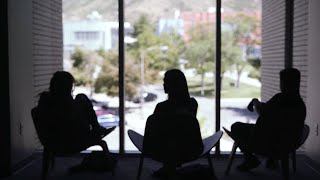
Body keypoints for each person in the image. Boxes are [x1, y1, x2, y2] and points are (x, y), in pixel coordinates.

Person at [229, 68, 306, 171]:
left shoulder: (280, 98)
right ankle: (270, 160)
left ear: (284, 82)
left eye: (282, 81)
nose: (281, 84)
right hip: (289, 142)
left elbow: (263, 111)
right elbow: (269, 109)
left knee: (236, 127)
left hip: (268, 142)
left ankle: (251, 159)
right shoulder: (300, 104)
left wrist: (255, 102)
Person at [143, 69, 203, 178]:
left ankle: (168, 168)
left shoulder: (161, 107)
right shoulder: (192, 104)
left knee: (169, 138)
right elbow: (187, 130)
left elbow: (155, 134)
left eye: (166, 81)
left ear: (172, 85)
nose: (163, 84)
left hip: (161, 150)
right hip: (188, 148)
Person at [37, 71, 116, 154]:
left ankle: (97, 129)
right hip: (70, 140)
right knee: (82, 97)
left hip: (52, 141)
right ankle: (97, 128)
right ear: (67, 86)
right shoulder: (65, 104)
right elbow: (73, 124)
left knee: (81, 98)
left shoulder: (45, 100)